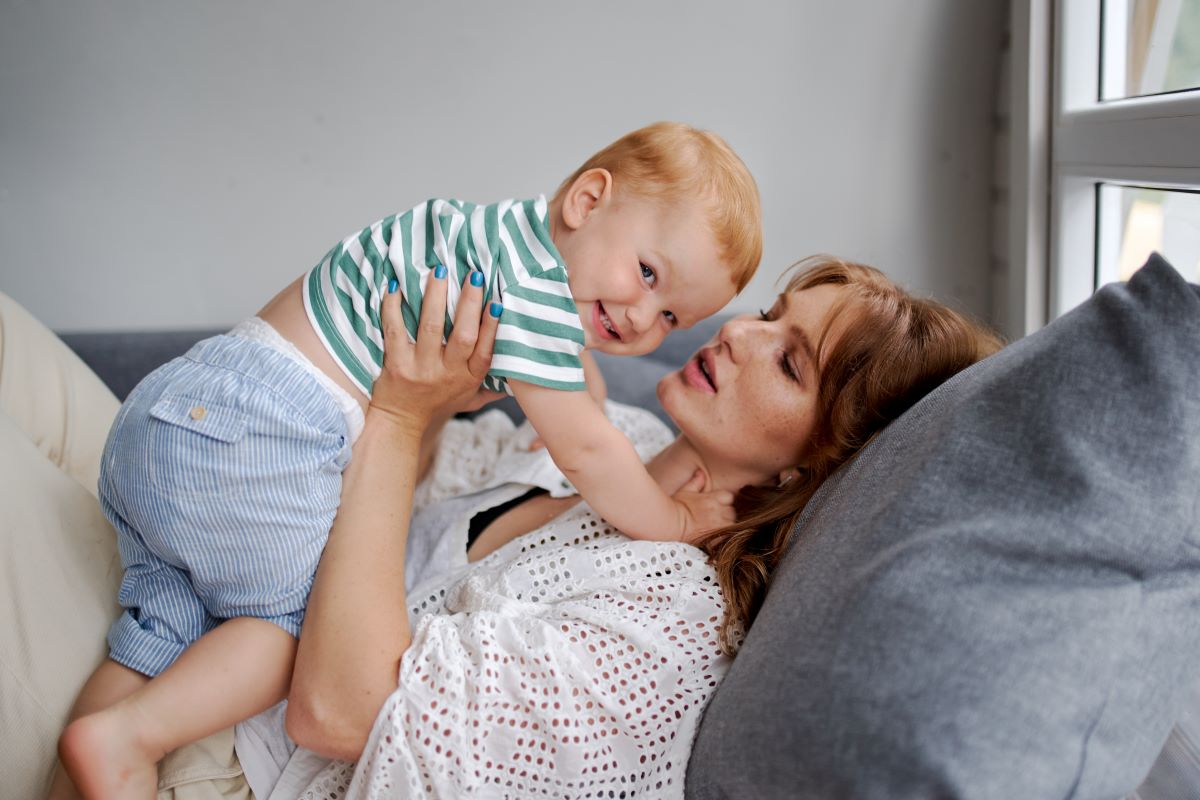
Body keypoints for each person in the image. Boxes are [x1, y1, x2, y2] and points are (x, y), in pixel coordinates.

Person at [53, 122, 761, 799]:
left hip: (184, 406)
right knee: (288, 630)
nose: (643, 318)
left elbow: (567, 376)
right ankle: (132, 739)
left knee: (154, 631)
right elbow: (585, 448)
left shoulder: (502, 242)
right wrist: (668, 518)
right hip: (265, 439)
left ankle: (93, 744)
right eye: (647, 274)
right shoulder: (540, 304)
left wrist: (586, 387)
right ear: (586, 200)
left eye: (672, 317)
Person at [274, 255, 1003, 798]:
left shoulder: (672, 620)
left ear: (814, 465)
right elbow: (401, 502)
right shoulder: (614, 438)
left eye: (789, 361)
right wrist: (438, 392)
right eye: (771, 311)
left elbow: (341, 713)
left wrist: (397, 417)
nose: (742, 331)